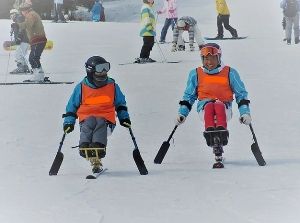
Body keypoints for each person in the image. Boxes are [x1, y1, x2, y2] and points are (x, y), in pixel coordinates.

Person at [175, 43, 251, 167]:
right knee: (210, 106)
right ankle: (210, 134)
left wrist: (245, 112)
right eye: (205, 58)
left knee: (219, 105)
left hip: (224, 107)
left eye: (212, 58)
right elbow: (189, 96)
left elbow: (241, 94)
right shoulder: (196, 74)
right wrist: (182, 113)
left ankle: (222, 133)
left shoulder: (230, 73)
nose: (209, 62)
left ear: (219, 58)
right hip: (204, 109)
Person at [63, 56, 131, 173]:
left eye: (106, 68)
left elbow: (120, 103)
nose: (104, 72)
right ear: (90, 71)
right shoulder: (81, 87)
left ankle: (98, 147)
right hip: (86, 118)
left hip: (106, 121)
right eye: (100, 69)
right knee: (89, 122)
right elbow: (72, 106)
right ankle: (85, 146)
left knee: (99, 121)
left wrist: (124, 117)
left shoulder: (112, 86)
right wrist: (69, 122)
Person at [12, 2, 47, 82]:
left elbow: (28, 24)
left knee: (33, 58)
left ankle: (39, 75)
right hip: (37, 40)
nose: (22, 13)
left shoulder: (31, 15)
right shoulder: (31, 14)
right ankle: (39, 74)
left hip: (38, 39)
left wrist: (18, 25)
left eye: (22, 11)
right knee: (34, 58)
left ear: (26, 10)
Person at [9, 8, 30, 74]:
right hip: (24, 40)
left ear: (15, 14)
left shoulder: (19, 18)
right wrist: (14, 26)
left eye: (12, 14)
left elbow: (22, 28)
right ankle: (24, 67)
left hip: (23, 40)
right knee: (21, 54)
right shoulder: (18, 19)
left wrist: (19, 38)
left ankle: (22, 68)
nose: (11, 16)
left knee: (18, 54)